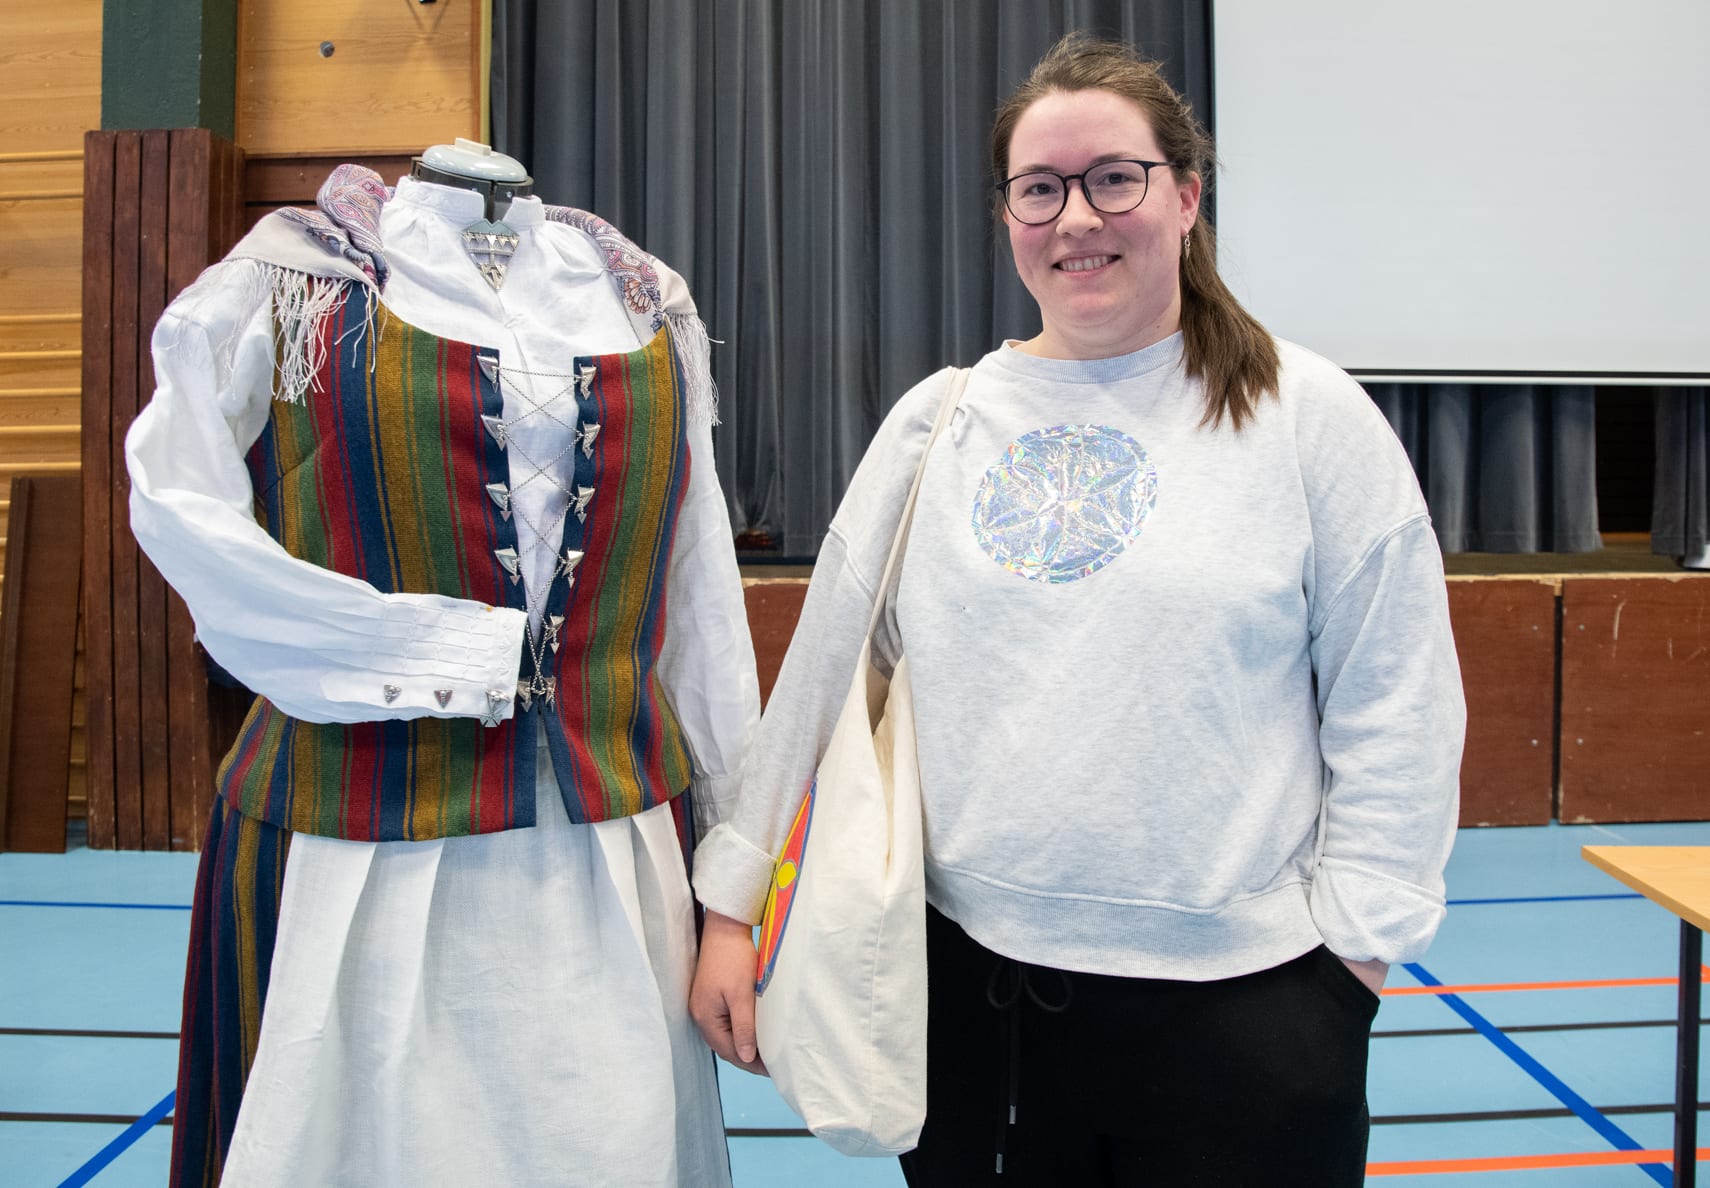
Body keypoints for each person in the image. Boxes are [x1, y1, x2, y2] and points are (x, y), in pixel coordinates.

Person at [688, 33, 1465, 1187]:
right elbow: (816, 678)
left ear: (1186, 196)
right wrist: (731, 908)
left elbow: (1397, 702)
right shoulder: (938, 424)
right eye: (1040, 189)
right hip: (971, 1012)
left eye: (1114, 178)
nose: (1077, 218)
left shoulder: (1307, 418)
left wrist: (1355, 959)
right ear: (1008, 215)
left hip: (1251, 1018)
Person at [126, 142, 759, 1186]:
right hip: (358, 833)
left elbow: (699, 599)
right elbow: (176, 506)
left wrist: (736, 873)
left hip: (610, 848)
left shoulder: (650, 305)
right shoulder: (288, 280)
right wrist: (429, 654)